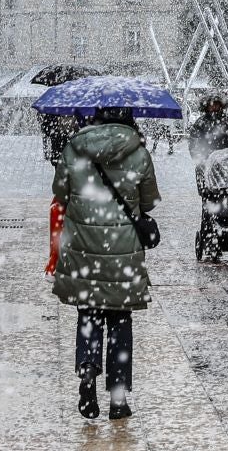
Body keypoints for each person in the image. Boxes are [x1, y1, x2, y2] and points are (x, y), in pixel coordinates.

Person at [53, 106, 159, 420]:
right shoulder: (138, 151)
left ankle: (88, 370)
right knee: (120, 321)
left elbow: (60, 193)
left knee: (88, 313)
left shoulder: (75, 147)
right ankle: (118, 398)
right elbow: (149, 200)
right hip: (123, 249)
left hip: (83, 248)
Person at [188, 94, 228, 160]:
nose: (214, 107)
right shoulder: (201, 122)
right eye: (211, 104)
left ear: (221, 105)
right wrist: (199, 160)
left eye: (216, 104)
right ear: (206, 106)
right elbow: (193, 142)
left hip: (226, 159)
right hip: (206, 159)